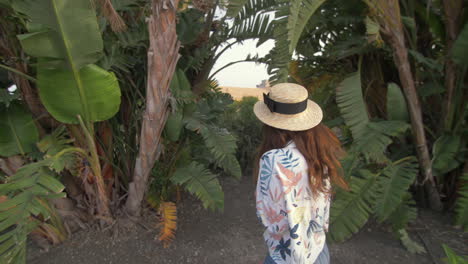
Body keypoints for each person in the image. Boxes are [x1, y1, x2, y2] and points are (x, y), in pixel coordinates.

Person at [253, 83, 348, 264]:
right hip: (318, 252)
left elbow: (271, 222)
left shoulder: (273, 160)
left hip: (287, 257)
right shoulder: (319, 153)